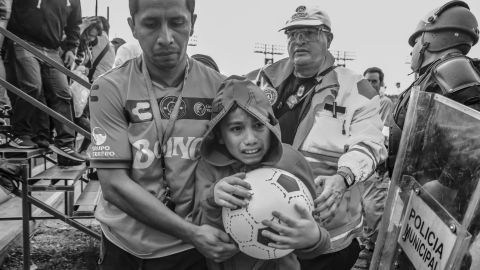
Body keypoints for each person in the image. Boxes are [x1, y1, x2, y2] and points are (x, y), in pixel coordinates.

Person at [88, 0, 238, 269]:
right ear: (133, 27)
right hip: (126, 248)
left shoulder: (221, 89)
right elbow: (113, 186)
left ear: (193, 22)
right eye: (151, 24)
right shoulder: (109, 88)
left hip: (193, 252)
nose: (166, 38)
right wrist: (191, 232)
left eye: (177, 23)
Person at [246, 5, 386, 269]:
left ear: (328, 39)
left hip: (328, 233)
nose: (299, 40)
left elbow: (371, 143)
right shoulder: (260, 81)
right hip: (263, 223)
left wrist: (343, 177)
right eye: (293, 34)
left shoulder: (355, 88)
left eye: (309, 33)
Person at [193, 76, 330, 270]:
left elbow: (320, 238)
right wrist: (213, 199)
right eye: (236, 128)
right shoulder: (209, 168)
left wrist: (314, 238)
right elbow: (201, 231)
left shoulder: (291, 161)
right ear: (220, 136)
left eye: (258, 125)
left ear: (271, 124)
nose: (250, 139)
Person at [389, 0, 480, 173]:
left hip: (433, 196)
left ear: (429, 39)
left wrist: (445, 184)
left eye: (415, 42)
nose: (412, 51)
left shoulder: (453, 69)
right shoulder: (437, 74)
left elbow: (473, 143)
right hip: (415, 191)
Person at [5, 0, 86, 166]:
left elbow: (75, 23)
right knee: (32, 86)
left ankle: (65, 145)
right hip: (23, 40)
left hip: (52, 48)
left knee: (63, 92)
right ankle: (21, 133)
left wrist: (71, 47)